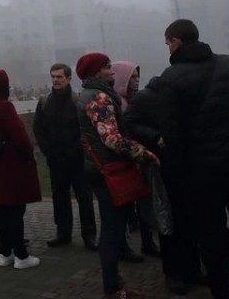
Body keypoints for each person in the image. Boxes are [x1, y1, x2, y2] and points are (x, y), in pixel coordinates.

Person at [158, 19, 229, 299]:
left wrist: (177, 177)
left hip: (202, 176)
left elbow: (171, 135)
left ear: (176, 42)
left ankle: (222, 292)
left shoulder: (171, 79)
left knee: (212, 239)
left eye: (167, 43)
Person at [76, 52, 159, 299]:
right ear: (96, 72)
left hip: (98, 167)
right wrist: (143, 153)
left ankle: (113, 284)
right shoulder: (99, 98)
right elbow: (111, 139)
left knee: (112, 228)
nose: (113, 70)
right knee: (112, 230)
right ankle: (112, 288)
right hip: (108, 170)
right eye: (107, 66)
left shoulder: (92, 95)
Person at [125, 76, 203, 294]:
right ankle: (174, 274)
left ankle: (193, 270)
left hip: (187, 166)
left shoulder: (181, 96)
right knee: (169, 223)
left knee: (189, 223)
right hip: (164, 168)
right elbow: (129, 123)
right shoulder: (145, 98)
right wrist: (155, 136)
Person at [0, 69, 41, 270]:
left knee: (0, 209)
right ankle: (21, 256)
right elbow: (20, 137)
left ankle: (4, 252)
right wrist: (29, 153)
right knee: (15, 209)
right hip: (12, 163)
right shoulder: (5, 107)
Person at [32, 63, 97, 251]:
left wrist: (79, 150)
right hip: (56, 159)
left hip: (77, 160)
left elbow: (85, 129)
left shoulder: (78, 101)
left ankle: (89, 234)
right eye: (53, 77)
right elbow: (39, 128)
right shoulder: (45, 102)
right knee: (60, 197)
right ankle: (63, 233)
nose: (55, 80)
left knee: (84, 197)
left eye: (59, 77)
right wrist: (47, 151)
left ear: (69, 79)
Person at [112, 61, 156, 261]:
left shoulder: (133, 100)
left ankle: (147, 243)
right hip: (125, 161)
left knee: (143, 204)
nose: (136, 81)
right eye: (132, 78)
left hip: (138, 160)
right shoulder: (117, 103)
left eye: (138, 77)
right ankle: (124, 247)